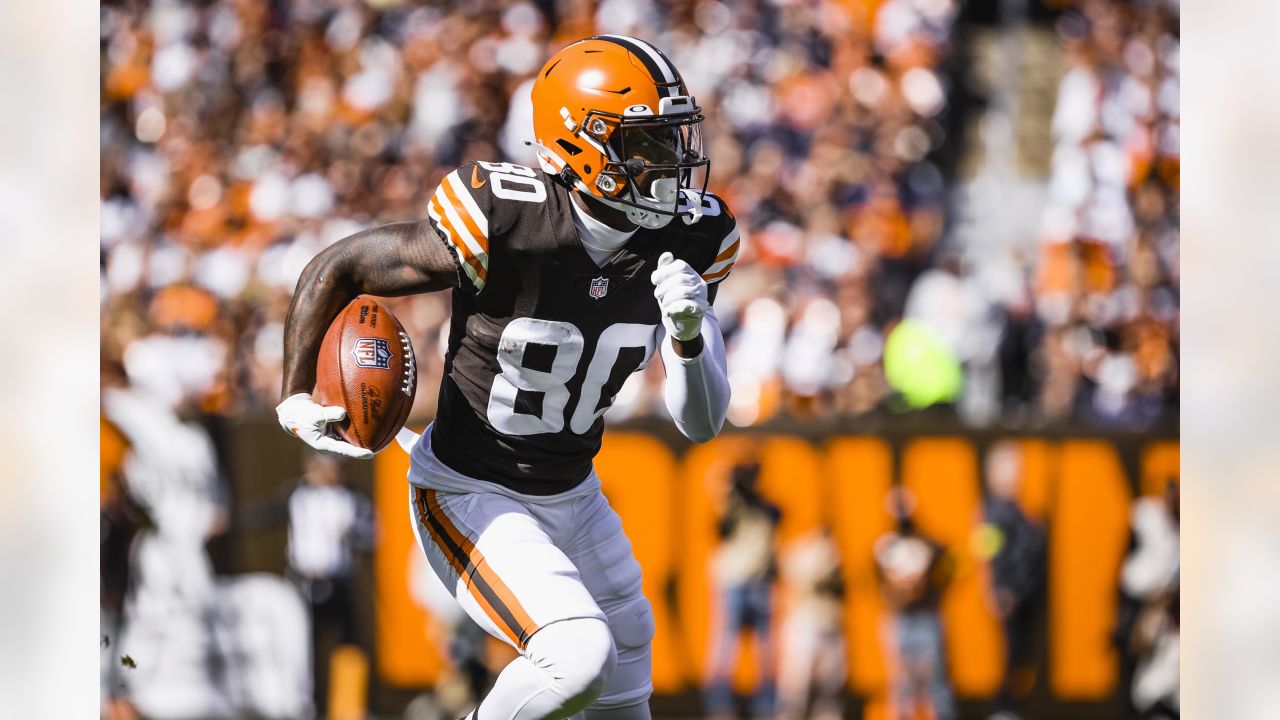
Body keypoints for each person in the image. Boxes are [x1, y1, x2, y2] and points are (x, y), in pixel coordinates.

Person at [275, 35, 736, 720]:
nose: (672, 164)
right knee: (578, 654)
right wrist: (293, 391)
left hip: (574, 494)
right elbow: (340, 266)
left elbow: (701, 424)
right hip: (470, 488)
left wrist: (692, 336)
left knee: (624, 683)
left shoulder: (693, 239)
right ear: (583, 146)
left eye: (671, 141)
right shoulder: (512, 219)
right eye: (647, 145)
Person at [704, 459, 781, 719]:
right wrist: (730, 483)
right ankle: (720, 708)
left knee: (766, 650)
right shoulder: (731, 505)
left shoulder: (766, 508)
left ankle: (766, 709)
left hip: (760, 582)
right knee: (725, 647)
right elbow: (720, 522)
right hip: (733, 581)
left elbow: (778, 512)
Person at [874, 489, 956, 720]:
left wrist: (935, 594)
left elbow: (951, 564)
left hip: (927, 617)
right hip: (900, 619)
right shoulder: (885, 546)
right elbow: (874, 580)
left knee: (936, 683)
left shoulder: (928, 544)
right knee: (901, 685)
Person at [982, 442, 1046, 720]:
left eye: (1016, 465)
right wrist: (997, 587)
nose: (1014, 472)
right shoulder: (994, 512)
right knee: (1007, 657)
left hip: (1026, 595)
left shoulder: (1021, 509)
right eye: (1006, 465)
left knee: (1022, 657)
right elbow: (988, 553)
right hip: (1009, 596)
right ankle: (1003, 710)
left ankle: (1012, 707)